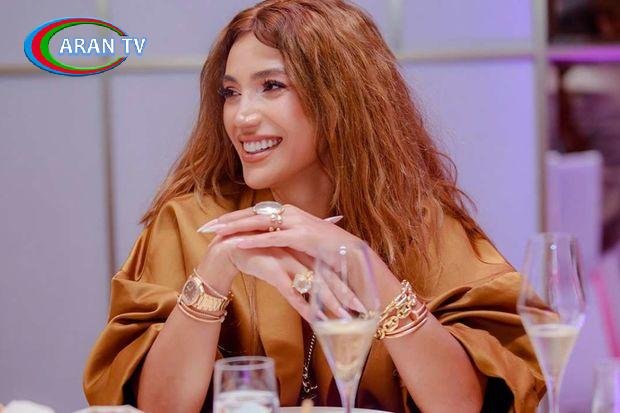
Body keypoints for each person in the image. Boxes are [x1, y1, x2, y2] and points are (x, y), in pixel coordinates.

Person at [83, 0, 545, 411]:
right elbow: (157, 408)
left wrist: (366, 269)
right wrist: (215, 271)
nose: (242, 116)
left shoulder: (419, 225)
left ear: (341, 98)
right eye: (230, 92)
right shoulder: (191, 224)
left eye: (272, 86)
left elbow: (462, 405)